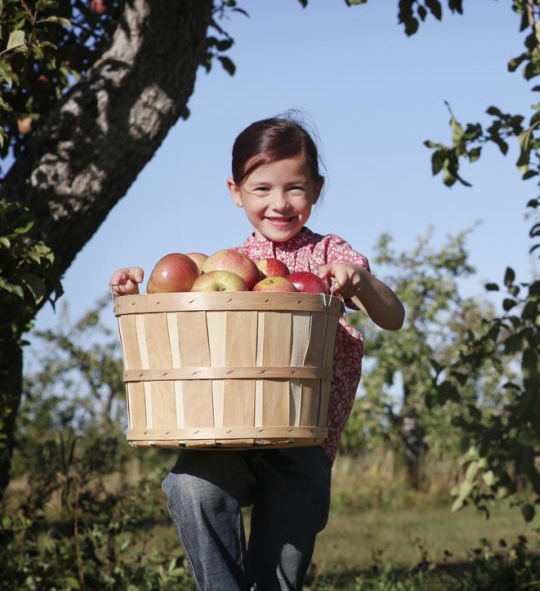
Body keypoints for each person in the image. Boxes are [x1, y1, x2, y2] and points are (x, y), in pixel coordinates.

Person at [109, 116, 405, 590]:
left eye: (295, 189)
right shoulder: (228, 264)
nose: (279, 203)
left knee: (277, 577)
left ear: (317, 189)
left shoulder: (329, 257)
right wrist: (137, 293)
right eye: (262, 188)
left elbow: (393, 317)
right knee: (191, 487)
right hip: (231, 434)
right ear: (236, 190)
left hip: (304, 440)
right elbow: (191, 329)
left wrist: (361, 281)